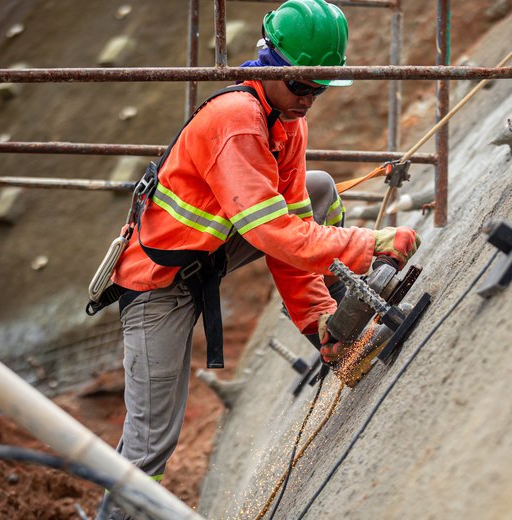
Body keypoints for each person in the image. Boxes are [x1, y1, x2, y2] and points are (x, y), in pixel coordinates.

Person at [95, 0, 419, 517]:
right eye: (301, 86)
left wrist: (319, 327)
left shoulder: (285, 120)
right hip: (155, 286)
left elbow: (292, 228)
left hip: (210, 256)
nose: (309, 99)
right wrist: (369, 243)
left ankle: (343, 316)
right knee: (151, 440)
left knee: (316, 191)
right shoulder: (237, 122)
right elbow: (274, 236)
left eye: (319, 88)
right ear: (269, 67)